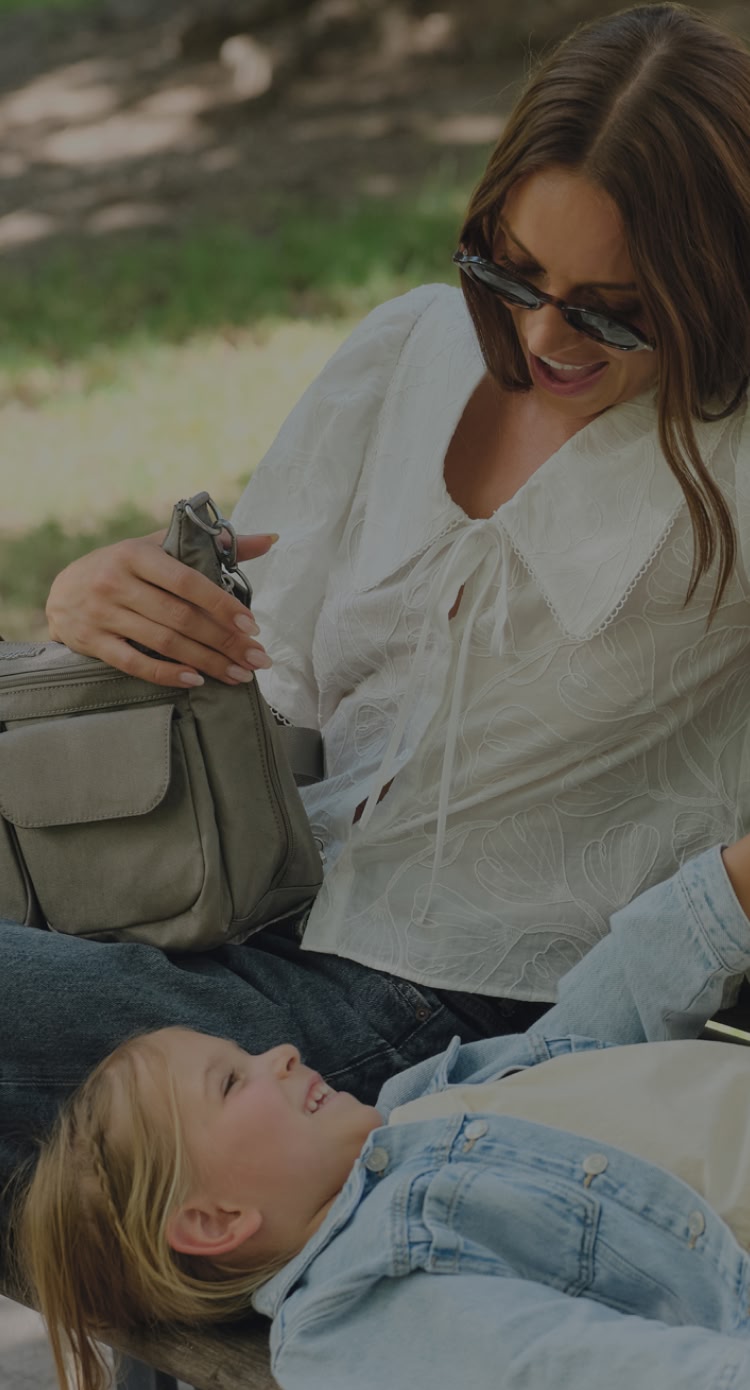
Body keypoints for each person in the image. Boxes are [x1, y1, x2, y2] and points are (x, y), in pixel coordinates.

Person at [4, 1, 750, 1192]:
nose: (546, 333)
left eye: (619, 307)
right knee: (104, 1154)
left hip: (469, 1026)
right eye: (511, 270)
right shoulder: (409, 349)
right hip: (242, 924)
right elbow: (266, 668)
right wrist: (99, 600)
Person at [15, 833, 750, 1390]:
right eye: (233, 1082)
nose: (280, 1054)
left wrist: (718, 898)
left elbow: (561, 1051)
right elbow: (573, 1366)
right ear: (214, 1220)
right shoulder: (358, 1305)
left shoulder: (412, 1111)